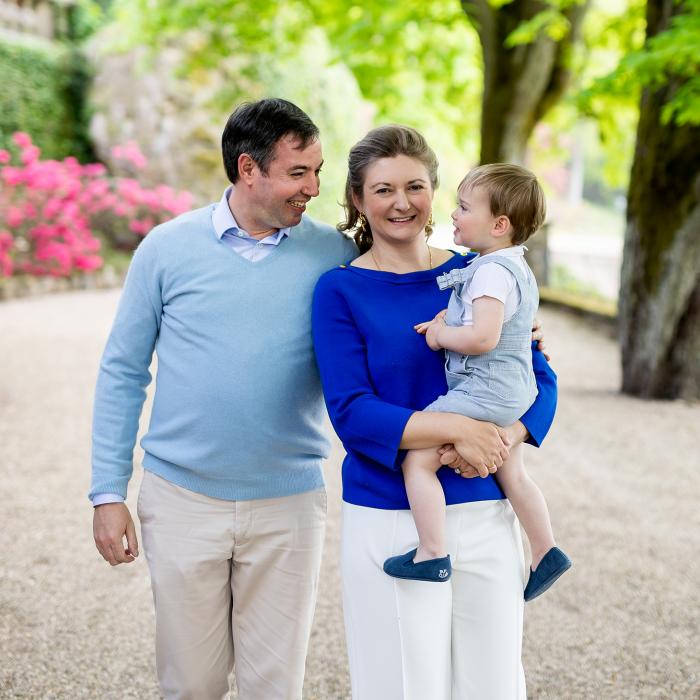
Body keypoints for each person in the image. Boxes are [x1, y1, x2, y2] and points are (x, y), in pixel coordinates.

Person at [90, 98, 357, 699]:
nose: (314, 187)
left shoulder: (334, 257)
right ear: (247, 169)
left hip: (289, 506)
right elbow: (123, 370)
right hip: (181, 500)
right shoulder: (165, 248)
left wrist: (500, 308)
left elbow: (402, 307)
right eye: (299, 172)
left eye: (317, 170)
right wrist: (108, 492)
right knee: (192, 685)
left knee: (276, 686)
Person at [312, 125, 558, 699]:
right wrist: (462, 430)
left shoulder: (485, 275)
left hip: (487, 511)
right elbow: (353, 412)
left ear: (436, 192)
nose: (402, 203)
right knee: (403, 688)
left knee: (493, 687)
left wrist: (505, 438)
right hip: (392, 515)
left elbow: (538, 378)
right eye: (383, 189)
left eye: (415, 186)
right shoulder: (339, 291)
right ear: (356, 199)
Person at [383, 163, 571, 601]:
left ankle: (432, 551)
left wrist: (439, 335)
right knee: (514, 474)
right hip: (513, 389)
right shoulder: (511, 266)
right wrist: (449, 318)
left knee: (418, 461)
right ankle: (545, 550)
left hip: (486, 388)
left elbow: (483, 337)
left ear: (499, 224)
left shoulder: (489, 272)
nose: (454, 214)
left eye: (465, 208)